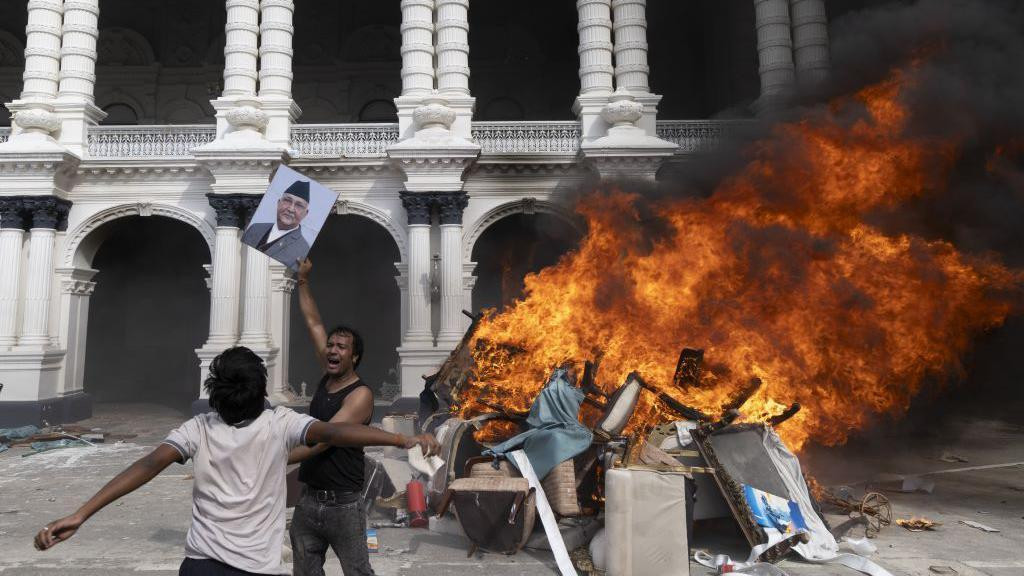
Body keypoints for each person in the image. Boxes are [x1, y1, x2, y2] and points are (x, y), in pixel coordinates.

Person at [33, 346, 439, 576]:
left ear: (215, 393)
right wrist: (403, 438)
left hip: (199, 567)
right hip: (255, 569)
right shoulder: (280, 423)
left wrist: (80, 514)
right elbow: (337, 433)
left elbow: (146, 466)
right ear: (261, 390)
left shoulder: (198, 428)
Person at [286, 258, 377, 576]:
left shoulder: (360, 395)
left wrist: (275, 456)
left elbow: (326, 438)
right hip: (308, 499)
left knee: (358, 573)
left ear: (355, 357)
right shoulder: (327, 376)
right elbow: (313, 322)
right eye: (331, 345)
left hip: (344, 506)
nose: (333, 350)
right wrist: (303, 280)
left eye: (341, 347)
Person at [242, 179, 312, 271]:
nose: (291, 209)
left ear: (305, 214)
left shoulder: (303, 250)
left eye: (299, 205)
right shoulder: (255, 228)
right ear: (279, 203)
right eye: (287, 200)